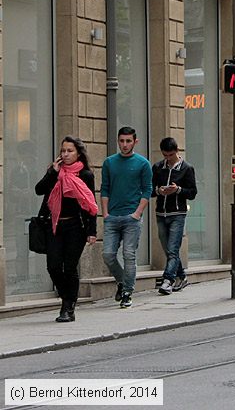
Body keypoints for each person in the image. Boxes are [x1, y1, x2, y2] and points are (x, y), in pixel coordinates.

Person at [35, 136, 97, 322]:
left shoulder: (85, 175)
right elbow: (39, 190)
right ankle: (67, 298)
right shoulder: (55, 172)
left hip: (75, 226)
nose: (65, 154)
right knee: (53, 266)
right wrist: (52, 173)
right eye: (63, 151)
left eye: (70, 151)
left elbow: (91, 204)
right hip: (54, 225)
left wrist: (92, 231)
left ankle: (68, 308)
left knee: (70, 267)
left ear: (78, 153)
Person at [101, 127, 152, 309]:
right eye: (122, 141)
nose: (124, 144)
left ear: (135, 142)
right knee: (108, 255)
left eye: (128, 141)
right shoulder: (109, 162)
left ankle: (127, 292)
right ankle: (122, 282)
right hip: (112, 216)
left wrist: (137, 213)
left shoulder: (143, 164)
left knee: (129, 255)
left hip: (132, 217)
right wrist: (105, 213)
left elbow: (147, 190)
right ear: (118, 141)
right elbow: (105, 188)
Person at [151, 137, 197, 295]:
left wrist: (177, 190)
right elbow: (150, 189)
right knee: (168, 249)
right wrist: (159, 191)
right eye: (165, 155)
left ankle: (167, 280)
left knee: (172, 249)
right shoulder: (158, 167)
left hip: (178, 213)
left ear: (177, 151)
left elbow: (192, 193)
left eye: (170, 155)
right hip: (161, 213)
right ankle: (182, 276)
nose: (168, 158)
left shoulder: (186, 168)